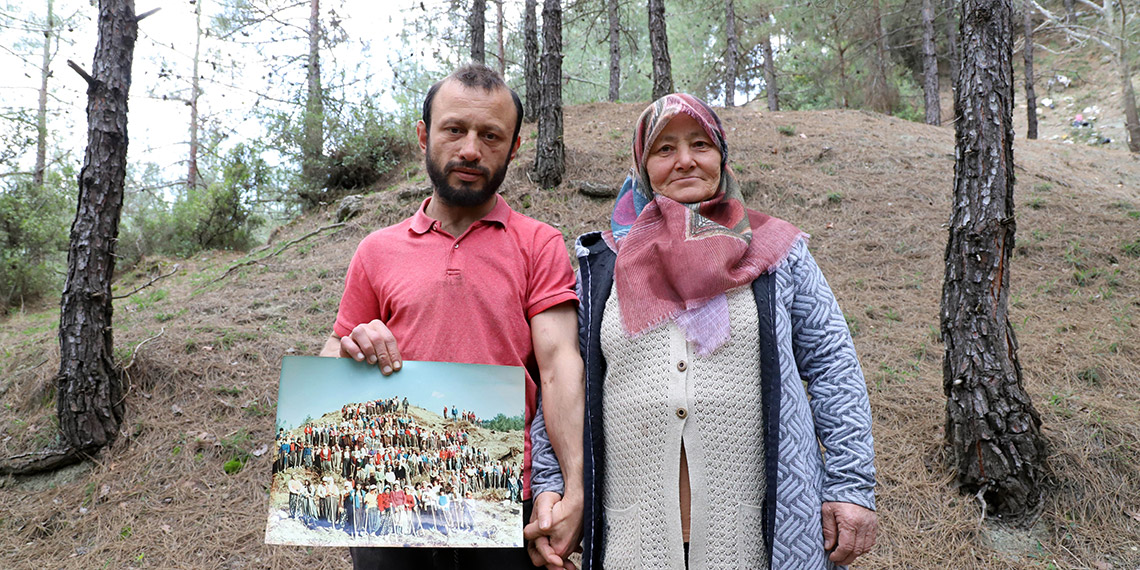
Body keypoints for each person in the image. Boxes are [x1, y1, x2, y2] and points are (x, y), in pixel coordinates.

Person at [529, 93, 878, 569]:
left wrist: (850, 485)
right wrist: (551, 484)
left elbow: (834, 365)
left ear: (721, 155)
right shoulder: (602, 265)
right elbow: (563, 382)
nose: (685, 160)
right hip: (633, 535)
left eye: (700, 144)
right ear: (642, 163)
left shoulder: (778, 253)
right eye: (664, 149)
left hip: (757, 533)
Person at [319, 63, 584, 569]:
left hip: (504, 496)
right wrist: (351, 346)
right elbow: (334, 354)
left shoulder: (539, 244)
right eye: (454, 129)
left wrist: (574, 487)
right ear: (423, 136)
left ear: (514, 148)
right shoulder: (376, 251)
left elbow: (558, 367)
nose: (470, 149)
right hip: (388, 494)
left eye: (491, 135)